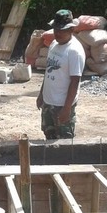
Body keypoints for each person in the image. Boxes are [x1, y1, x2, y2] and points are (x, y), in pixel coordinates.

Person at [36, 9, 86, 139]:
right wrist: (41, 94)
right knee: (49, 135)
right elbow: (48, 70)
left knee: (64, 141)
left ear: (71, 30)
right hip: (49, 101)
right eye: (55, 29)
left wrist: (67, 109)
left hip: (62, 104)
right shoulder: (53, 44)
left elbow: (75, 81)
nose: (57, 33)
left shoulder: (74, 51)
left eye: (61, 30)